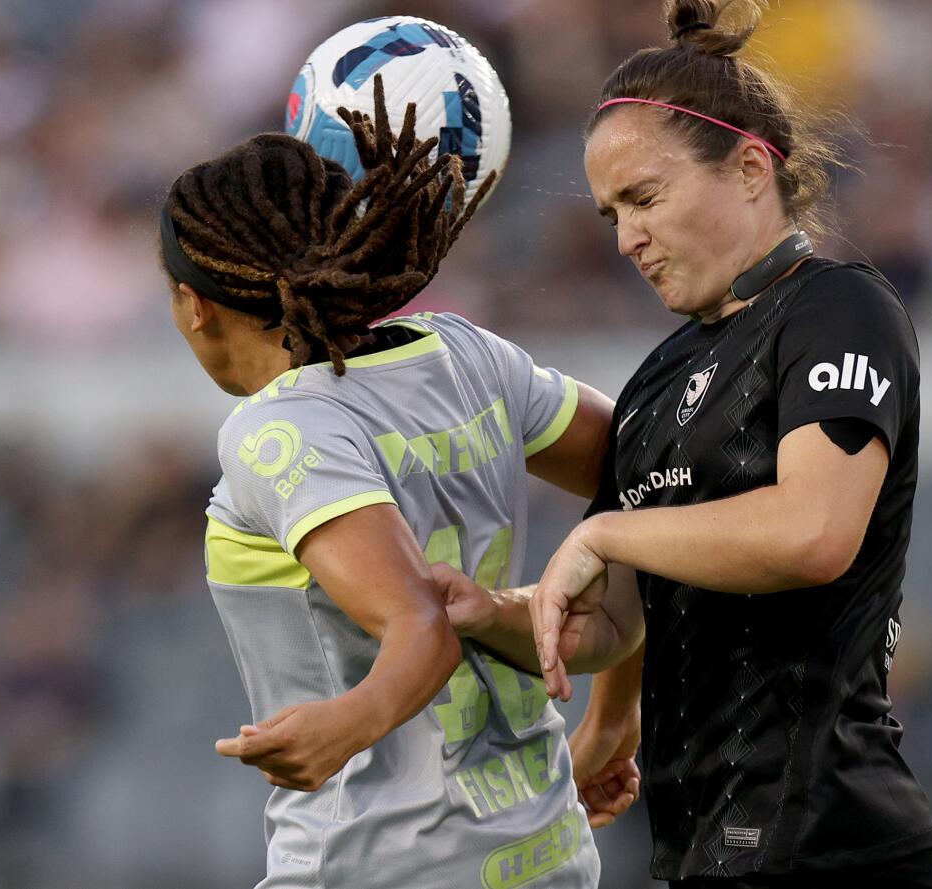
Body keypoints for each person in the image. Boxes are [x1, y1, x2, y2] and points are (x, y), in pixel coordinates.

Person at [442, 1, 932, 887]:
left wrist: (602, 535)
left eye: (645, 197)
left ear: (752, 168)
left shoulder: (838, 309)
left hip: (835, 847)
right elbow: (615, 620)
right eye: (610, 215)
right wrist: (478, 613)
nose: (629, 236)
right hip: (699, 852)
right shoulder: (656, 380)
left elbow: (814, 533)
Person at [160, 77, 638, 888]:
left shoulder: (277, 431)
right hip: (544, 853)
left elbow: (422, 624)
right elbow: (652, 473)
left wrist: (344, 726)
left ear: (193, 305)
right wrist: (619, 703)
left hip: (377, 864)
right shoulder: (463, 353)